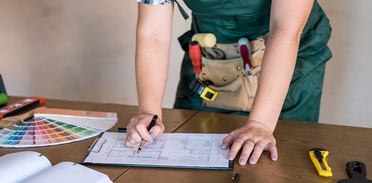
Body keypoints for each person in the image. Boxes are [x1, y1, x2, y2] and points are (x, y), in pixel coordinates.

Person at [125, 0, 332, 165]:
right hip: (210, 59)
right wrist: (149, 113)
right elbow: (153, 34)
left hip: (283, 59)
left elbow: (284, 29)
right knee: (192, 165)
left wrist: (260, 124)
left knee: (278, 168)